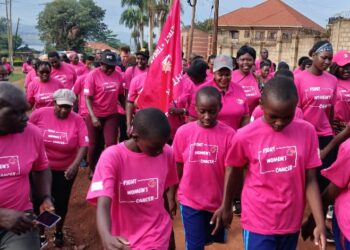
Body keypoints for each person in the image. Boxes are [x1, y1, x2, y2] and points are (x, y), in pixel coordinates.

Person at [211, 77, 326, 250]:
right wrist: (226, 205)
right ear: (261, 105)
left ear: (296, 108)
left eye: (287, 117)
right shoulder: (245, 135)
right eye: (273, 116)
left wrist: (320, 222)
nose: (279, 123)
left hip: (290, 221)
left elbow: (310, 179)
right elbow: (233, 170)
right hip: (258, 221)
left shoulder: (307, 131)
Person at [86, 108, 178, 249]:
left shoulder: (167, 152)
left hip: (156, 235)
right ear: (135, 137)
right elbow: (103, 201)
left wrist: (170, 232)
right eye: (155, 147)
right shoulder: (112, 158)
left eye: (163, 145)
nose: (160, 151)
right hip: (124, 241)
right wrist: (106, 236)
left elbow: (161, 193)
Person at [173, 86, 236, 249]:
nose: (207, 117)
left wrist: (227, 204)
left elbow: (231, 169)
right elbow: (178, 165)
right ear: (194, 108)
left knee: (210, 240)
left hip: (217, 202)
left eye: (212, 111)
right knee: (195, 245)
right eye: (202, 111)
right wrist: (172, 194)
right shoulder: (183, 132)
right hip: (190, 200)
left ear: (220, 108)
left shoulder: (229, 135)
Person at [29, 89, 88, 247]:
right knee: (39, 201)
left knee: (61, 203)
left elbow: (83, 145)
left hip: (64, 171)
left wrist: (75, 165)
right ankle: (41, 234)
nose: (64, 110)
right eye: (60, 106)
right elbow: (24, 131)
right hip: (40, 170)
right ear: (53, 103)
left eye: (67, 107)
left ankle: (58, 230)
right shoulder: (39, 114)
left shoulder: (77, 120)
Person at [0, 82, 54, 250]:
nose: (26, 117)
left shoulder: (31, 133)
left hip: (20, 221)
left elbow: (42, 167)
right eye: (16, 112)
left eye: (25, 110)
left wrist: (45, 196)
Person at [294, 41, 338, 192]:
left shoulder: (332, 80)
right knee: (304, 178)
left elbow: (331, 109)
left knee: (322, 178)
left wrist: (331, 132)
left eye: (330, 59)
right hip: (304, 134)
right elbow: (296, 109)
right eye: (324, 57)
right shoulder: (298, 78)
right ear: (313, 55)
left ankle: (315, 213)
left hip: (325, 135)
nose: (327, 62)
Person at [84, 51, 124, 177]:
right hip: (94, 114)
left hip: (111, 114)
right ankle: (92, 168)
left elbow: (121, 95)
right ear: (101, 64)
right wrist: (93, 116)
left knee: (111, 143)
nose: (110, 69)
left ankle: (110, 167)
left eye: (112, 66)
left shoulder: (118, 75)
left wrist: (128, 111)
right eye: (107, 66)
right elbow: (88, 98)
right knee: (94, 144)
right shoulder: (93, 75)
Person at [232, 45, 261, 114]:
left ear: (254, 61)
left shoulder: (257, 78)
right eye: (242, 59)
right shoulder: (230, 76)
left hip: (252, 120)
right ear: (237, 60)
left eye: (249, 60)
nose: (246, 62)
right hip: (235, 118)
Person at [330, 50, 350, 134]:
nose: (347, 69)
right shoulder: (329, 81)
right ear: (335, 66)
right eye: (344, 66)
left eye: (349, 66)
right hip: (333, 128)